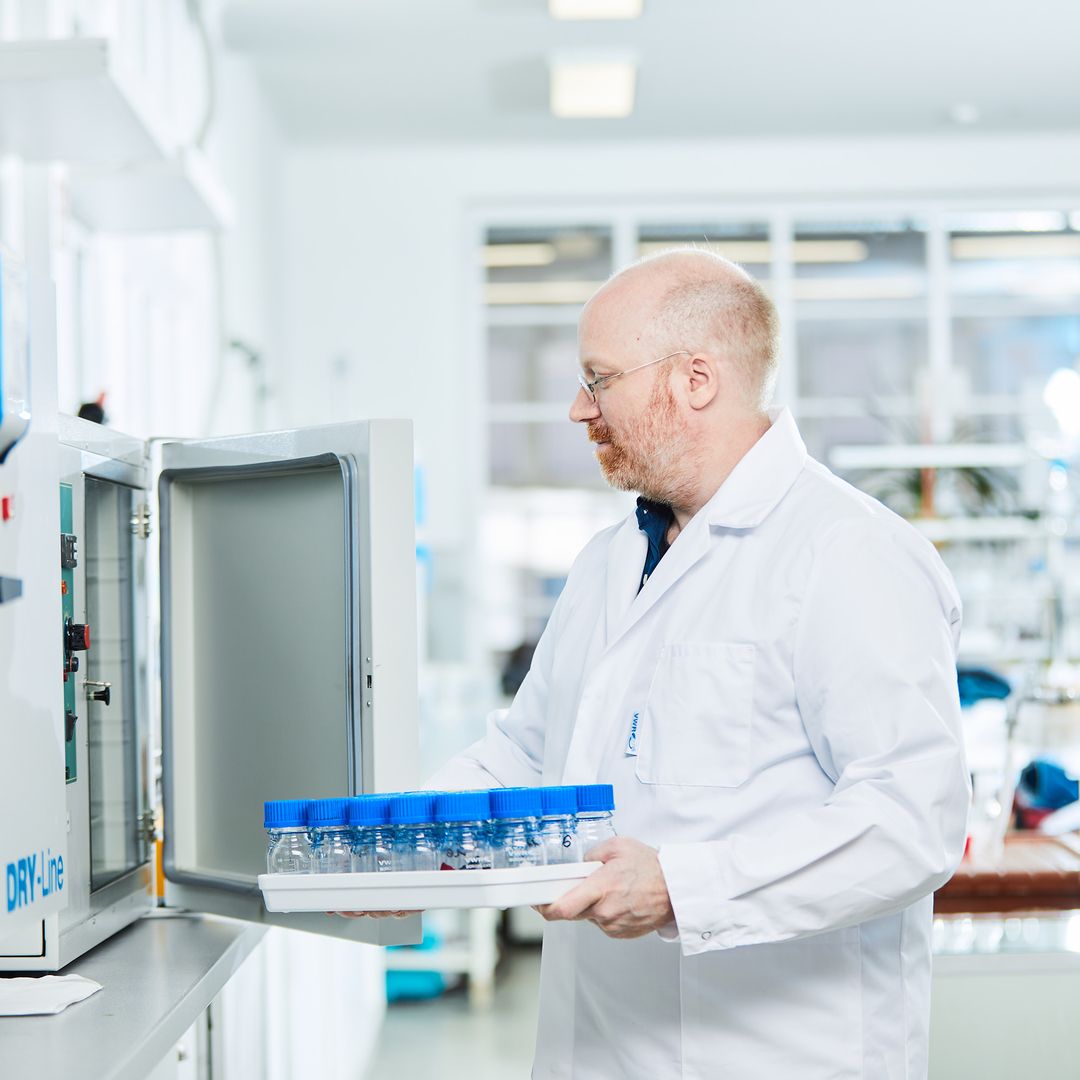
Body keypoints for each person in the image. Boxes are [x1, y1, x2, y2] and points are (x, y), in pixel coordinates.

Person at [432, 249, 968, 1078]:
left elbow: (912, 817)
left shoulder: (849, 554)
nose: (579, 409)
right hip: (600, 1045)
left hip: (774, 1054)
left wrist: (684, 885)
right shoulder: (607, 562)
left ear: (695, 379)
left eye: (598, 378)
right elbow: (527, 753)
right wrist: (406, 841)